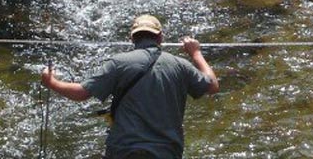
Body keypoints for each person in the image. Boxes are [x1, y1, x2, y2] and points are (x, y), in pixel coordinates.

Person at [41, 15, 219, 159]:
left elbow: (81, 93)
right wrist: (196, 53)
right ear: (160, 37)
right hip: (166, 152)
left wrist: (52, 82)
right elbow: (212, 86)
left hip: (124, 150)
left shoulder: (119, 63)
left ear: (132, 38)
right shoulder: (179, 65)